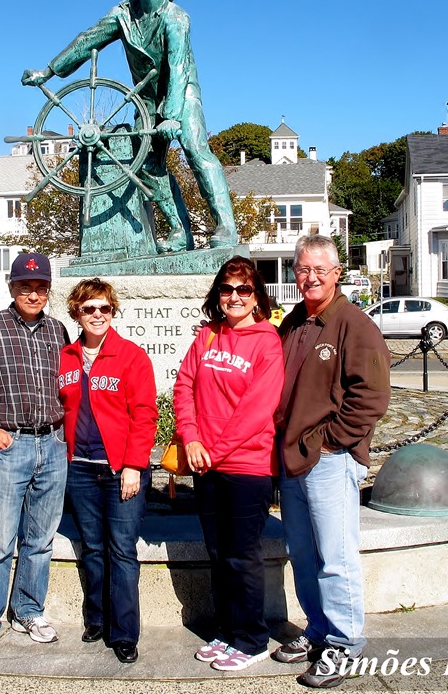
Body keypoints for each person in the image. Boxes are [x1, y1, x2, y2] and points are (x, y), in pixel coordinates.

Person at [22, 0, 237, 253]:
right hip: (146, 98)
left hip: (181, 92)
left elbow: (177, 67)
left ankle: (225, 225)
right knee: (146, 163)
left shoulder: (176, 18)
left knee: (195, 149)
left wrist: (172, 116)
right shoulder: (123, 15)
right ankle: (179, 232)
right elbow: (87, 40)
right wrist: (49, 71)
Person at [272, 235, 391, 689]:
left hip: (329, 461)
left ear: (337, 273)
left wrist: (331, 442)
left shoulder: (354, 324)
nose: (311, 277)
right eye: (303, 269)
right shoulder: (295, 321)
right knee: (303, 554)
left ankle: (344, 644)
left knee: (336, 558)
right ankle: (318, 630)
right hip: (293, 459)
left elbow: (371, 396)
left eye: (320, 269)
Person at [0, 252, 70, 660]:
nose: (33, 294)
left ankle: (28, 611)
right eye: (25, 287)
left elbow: (69, 384)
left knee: (40, 539)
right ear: (12, 287)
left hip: (52, 445)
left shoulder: (58, 330)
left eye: (40, 288)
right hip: (11, 446)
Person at [173, 256, 284, 672]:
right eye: (226, 288)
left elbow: (256, 410)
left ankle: (251, 639)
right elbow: (184, 386)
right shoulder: (208, 336)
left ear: (256, 297)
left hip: (247, 467)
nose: (234, 296)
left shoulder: (267, 342)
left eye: (243, 289)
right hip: (206, 464)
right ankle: (226, 630)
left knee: (242, 555)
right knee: (218, 553)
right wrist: (191, 437)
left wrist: (213, 450)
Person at [57, 278, 157, 664]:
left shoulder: (131, 356)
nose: (97, 315)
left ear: (113, 312)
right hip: (80, 470)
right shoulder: (66, 357)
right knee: (93, 548)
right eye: (89, 309)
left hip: (120, 471)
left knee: (121, 550)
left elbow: (145, 414)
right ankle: (97, 617)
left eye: (104, 308)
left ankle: (125, 631)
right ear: (77, 313)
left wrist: (133, 465)